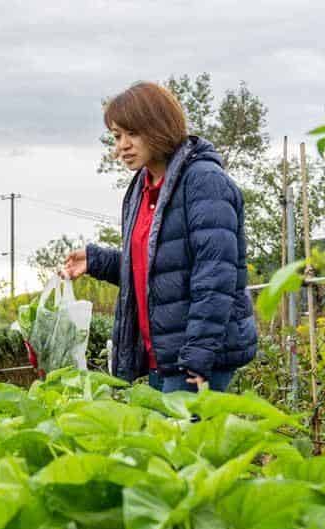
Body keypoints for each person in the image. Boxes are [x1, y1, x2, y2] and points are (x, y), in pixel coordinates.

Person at [62, 82, 257, 392]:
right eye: (116, 136)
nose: (121, 146)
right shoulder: (142, 188)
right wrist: (97, 260)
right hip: (164, 357)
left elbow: (215, 274)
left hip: (194, 360)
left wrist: (199, 353)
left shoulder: (203, 181)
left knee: (183, 440)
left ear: (158, 128)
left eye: (132, 134)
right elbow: (159, 267)